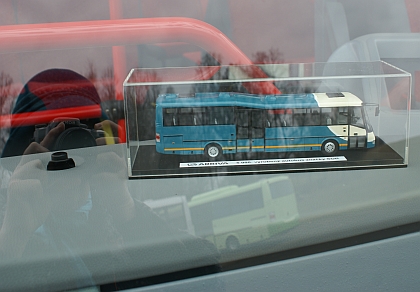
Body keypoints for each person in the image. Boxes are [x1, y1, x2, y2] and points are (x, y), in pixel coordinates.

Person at [0, 69, 220, 291]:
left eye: (80, 136)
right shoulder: (13, 221)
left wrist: (126, 210)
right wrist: (13, 238)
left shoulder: (114, 219)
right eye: (53, 138)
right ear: (26, 154)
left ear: (99, 142)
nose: (70, 151)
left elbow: (210, 276)